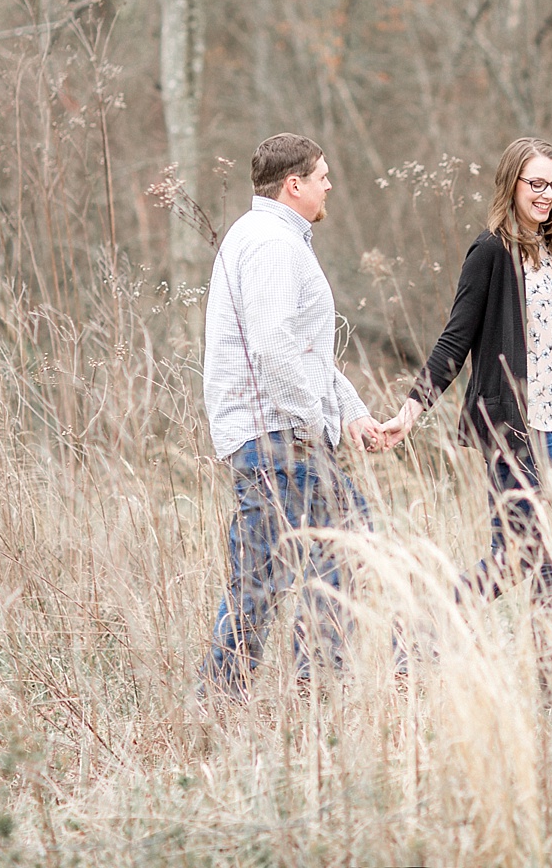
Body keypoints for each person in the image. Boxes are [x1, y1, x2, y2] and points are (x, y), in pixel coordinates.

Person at [200, 133, 383, 694]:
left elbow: (306, 354)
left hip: (277, 432)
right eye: (322, 175)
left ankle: (232, 695)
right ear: (293, 184)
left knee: (265, 576)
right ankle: (312, 682)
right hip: (279, 435)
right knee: (341, 545)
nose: (330, 184)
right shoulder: (273, 244)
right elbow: (274, 346)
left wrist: (350, 414)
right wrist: (313, 426)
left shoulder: (267, 237)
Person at [380, 136, 552, 601]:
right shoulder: (491, 252)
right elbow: (455, 339)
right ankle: (422, 634)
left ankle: (550, 672)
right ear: (512, 183)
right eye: (536, 183)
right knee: (534, 555)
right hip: (512, 430)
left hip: (551, 432)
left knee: (541, 562)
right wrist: (412, 409)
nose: (546, 194)